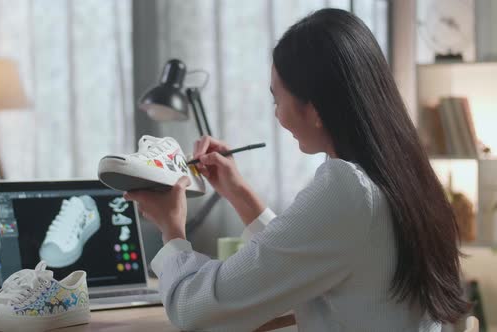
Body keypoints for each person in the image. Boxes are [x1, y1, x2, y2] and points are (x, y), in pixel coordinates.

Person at [124, 8, 469, 331]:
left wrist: (171, 227)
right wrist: (238, 192)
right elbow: (307, 253)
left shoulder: (346, 188)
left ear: (315, 109)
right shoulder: (403, 175)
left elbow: (196, 309)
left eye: (277, 99)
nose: (277, 114)